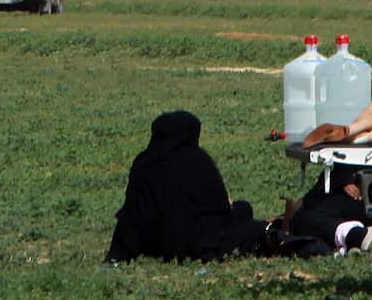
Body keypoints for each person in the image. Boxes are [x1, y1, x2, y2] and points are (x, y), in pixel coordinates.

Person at [105, 111, 269, 264]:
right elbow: (219, 211)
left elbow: (134, 211)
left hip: (149, 243)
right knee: (245, 214)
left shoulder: (143, 162)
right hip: (192, 245)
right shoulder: (198, 161)